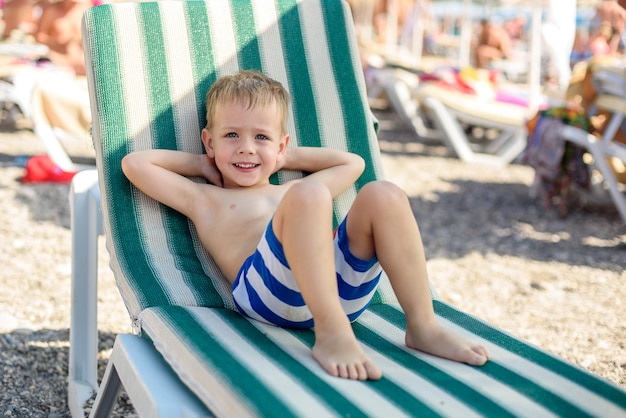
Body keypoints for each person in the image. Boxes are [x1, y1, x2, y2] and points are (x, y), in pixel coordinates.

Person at [121, 70, 489, 381]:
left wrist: (283, 157)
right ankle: (330, 331)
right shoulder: (205, 199)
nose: (247, 148)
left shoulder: (293, 188)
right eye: (232, 136)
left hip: (338, 289)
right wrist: (202, 164)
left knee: (384, 194)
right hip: (267, 298)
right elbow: (135, 164)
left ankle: (422, 325)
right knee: (310, 194)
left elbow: (353, 163)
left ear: (281, 148)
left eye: (260, 137)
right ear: (209, 141)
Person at [34, 0, 90, 75]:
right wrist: (56, 41)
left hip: (80, 62)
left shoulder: (85, 9)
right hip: (57, 59)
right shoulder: (52, 10)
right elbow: (39, 36)